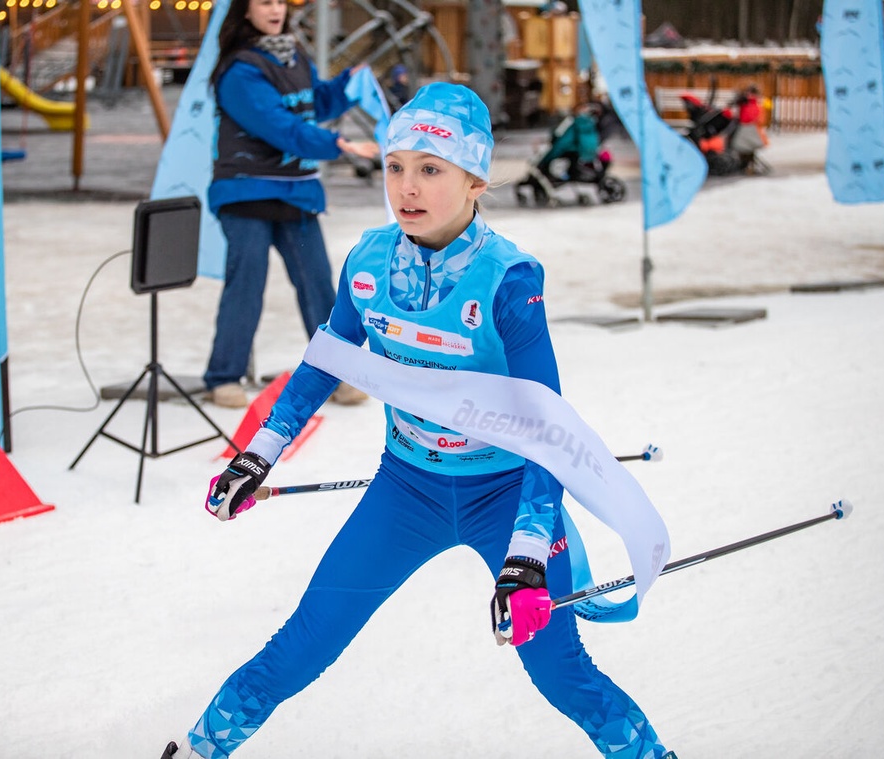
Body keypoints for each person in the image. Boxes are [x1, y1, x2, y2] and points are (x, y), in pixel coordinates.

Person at [160, 83, 676, 759]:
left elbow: (546, 428)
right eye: (396, 166)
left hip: (507, 494)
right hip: (407, 490)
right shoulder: (368, 262)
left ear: (475, 180)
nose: (407, 186)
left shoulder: (508, 278)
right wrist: (256, 455)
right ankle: (201, 749)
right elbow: (323, 365)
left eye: (431, 169)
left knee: (557, 669)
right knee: (308, 638)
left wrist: (524, 556)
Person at [203, 0, 380, 408]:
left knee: (319, 286)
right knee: (246, 287)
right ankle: (223, 376)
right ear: (244, 10)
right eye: (265, 1)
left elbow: (313, 102)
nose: (275, 9)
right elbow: (279, 126)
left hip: (297, 191)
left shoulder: (294, 53)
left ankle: (338, 375)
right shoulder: (240, 71)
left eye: (280, 1)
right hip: (247, 190)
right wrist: (338, 144)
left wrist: (344, 86)